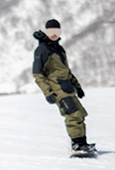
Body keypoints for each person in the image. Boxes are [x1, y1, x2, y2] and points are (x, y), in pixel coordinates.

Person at [32, 19, 95, 154]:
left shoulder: (59, 49)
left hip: (68, 88)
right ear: (46, 32)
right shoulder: (42, 50)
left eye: (57, 31)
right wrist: (47, 92)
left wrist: (77, 87)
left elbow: (65, 70)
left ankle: (82, 143)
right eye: (51, 32)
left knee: (81, 114)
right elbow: (37, 74)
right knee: (73, 115)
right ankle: (77, 145)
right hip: (57, 90)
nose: (54, 35)